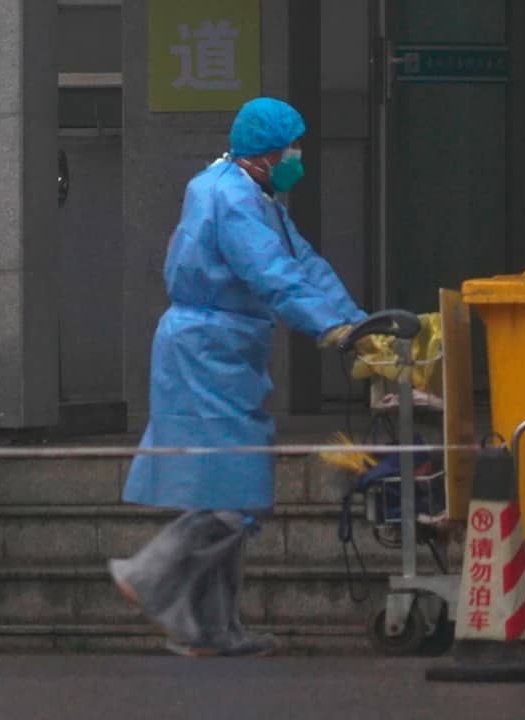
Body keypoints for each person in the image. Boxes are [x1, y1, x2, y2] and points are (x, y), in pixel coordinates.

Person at [108, 97, 366, 657]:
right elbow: (274, 275)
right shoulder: (232, 198)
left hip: (220, 346)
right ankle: (150, 574)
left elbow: (304, 264)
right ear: (270, 150)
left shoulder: (248, 191)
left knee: (222, 488)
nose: (297, 154)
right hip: (207, 349)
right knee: (233, 489)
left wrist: (353, 323)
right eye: (292, 144)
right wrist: (331, 328)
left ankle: (207, 631)